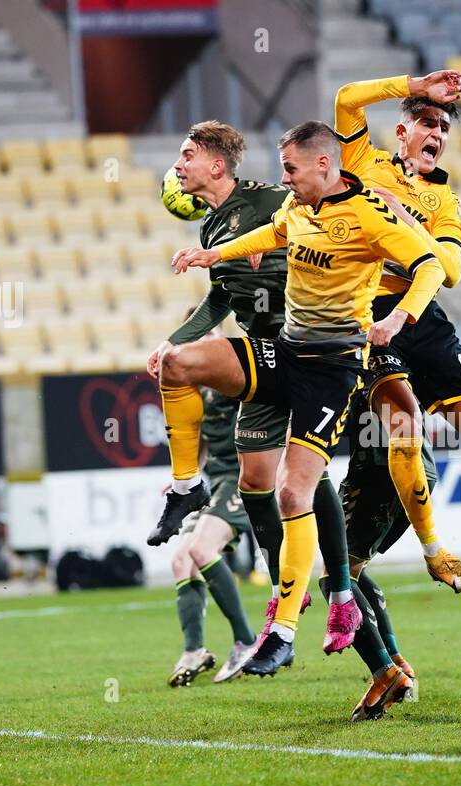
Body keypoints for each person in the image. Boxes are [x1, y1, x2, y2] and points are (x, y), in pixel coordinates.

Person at [167, 120, 447, 683]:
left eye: (292, 168)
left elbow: (432, 266)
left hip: (333, 369)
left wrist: (397, 316)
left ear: (324, 164)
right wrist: (208, 258)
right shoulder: (291, 210)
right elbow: (270, 235)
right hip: (285, 351)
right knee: (181, 366)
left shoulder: (364, 212)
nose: (285, 178)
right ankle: (186, 485)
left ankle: (293, 627)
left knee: (298, 490)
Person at [146, 122, 357, 657]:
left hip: (310, 349)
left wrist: (277, 249)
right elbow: (220, 300)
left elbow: (321, 221)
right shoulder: (211, 229)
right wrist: (172, 340)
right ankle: (280, 573)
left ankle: (341, 591)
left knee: (305, 482)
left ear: (217, 165)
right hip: (261, 351)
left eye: (186, 153)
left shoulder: (268, 199)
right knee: (257, 478)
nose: (179, 163)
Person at [334, 70, 461, 592]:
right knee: (405, 424)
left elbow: (449, 271)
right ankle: (435, 553)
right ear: (401, 131)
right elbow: (346, 98)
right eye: (427, 122)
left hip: (421, 316)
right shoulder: (365, 163)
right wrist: (415, 84)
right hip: (367, 311)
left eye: (445, 129)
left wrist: (401, 216)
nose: (438, 134)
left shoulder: (446, 201)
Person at [328, 382, 439, 719]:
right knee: (354, 569)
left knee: (336, 574)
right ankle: (396, 664)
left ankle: (386, 674)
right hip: (418, 469)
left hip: (381, 471)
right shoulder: (395, 351)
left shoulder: (347, 349)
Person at [166, 385, 263, 685]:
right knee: (181, 561)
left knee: (201, 550)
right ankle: (194, 650)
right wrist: (182, 480)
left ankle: (247, 641)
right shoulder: (195, 389)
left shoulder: (236, 377)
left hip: (244, 477)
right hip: (216, 482)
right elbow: (202, 442)